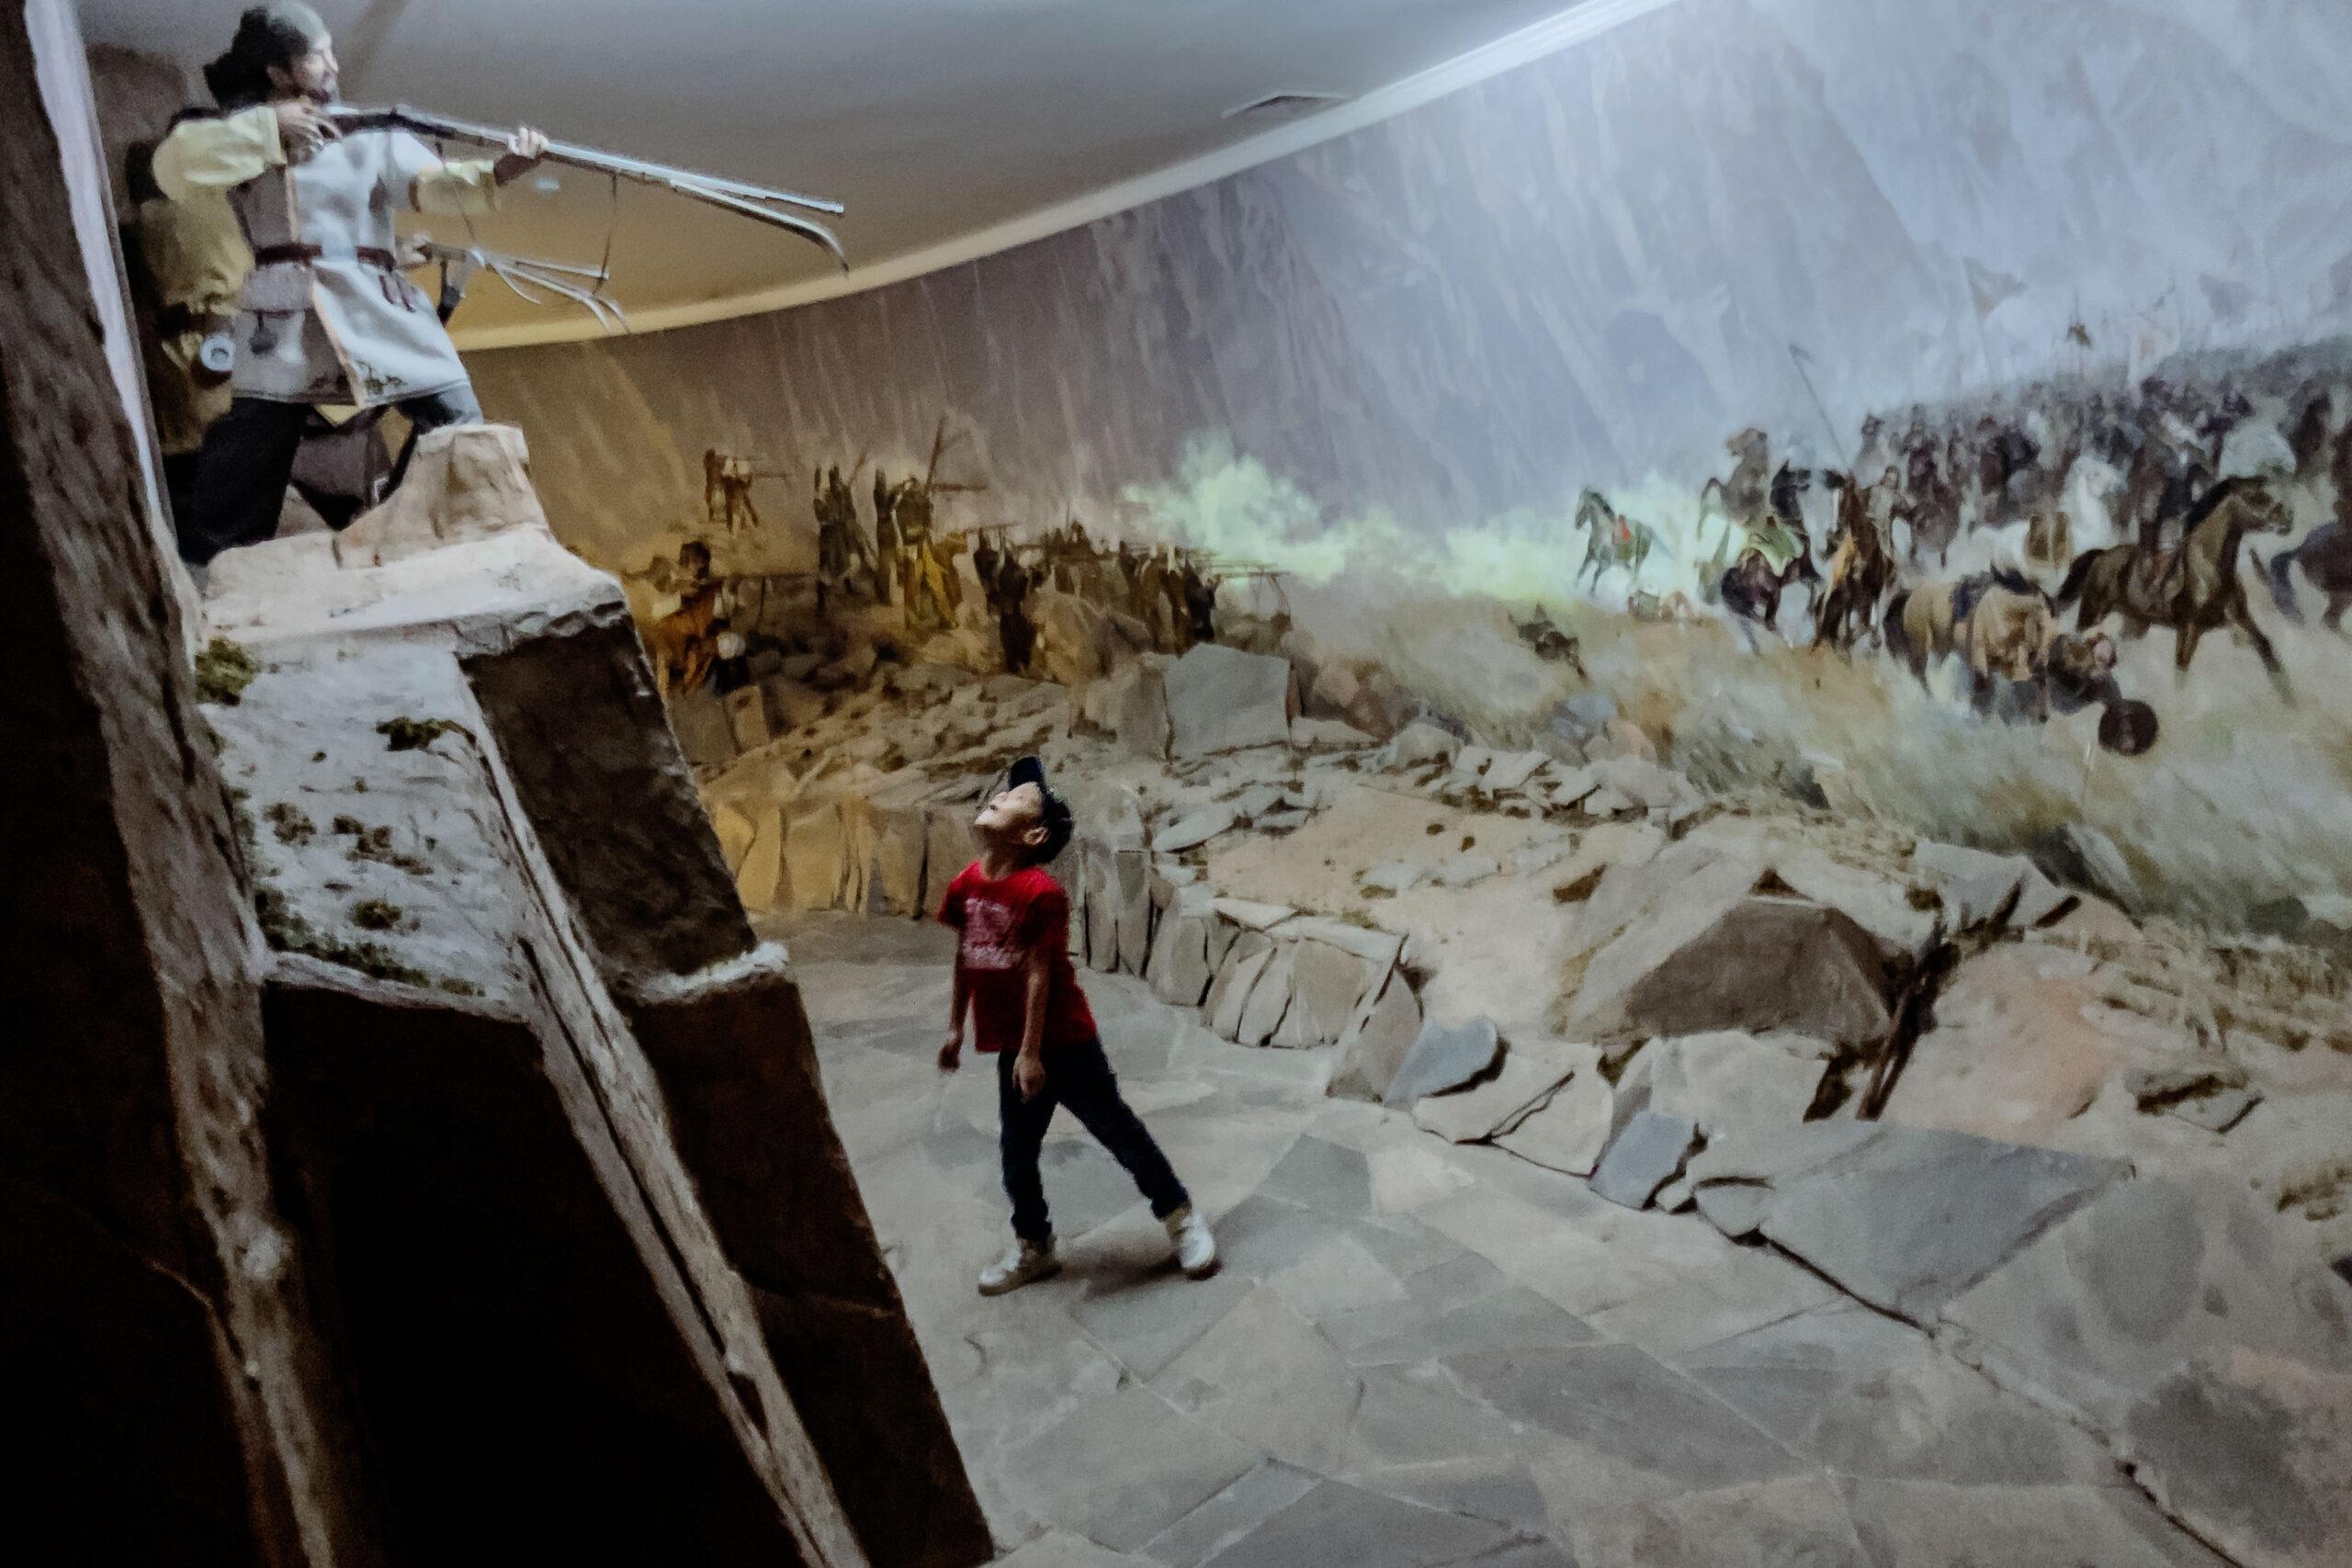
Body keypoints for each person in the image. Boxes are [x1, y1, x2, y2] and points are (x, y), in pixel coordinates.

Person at [151, 4, 548, 566]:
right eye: (318, 54)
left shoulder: (367, 134)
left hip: (373, 305)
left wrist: (499, 172)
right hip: (286, 309)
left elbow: (431, 185)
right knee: (255, 440)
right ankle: (215, 562)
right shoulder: (241, 134)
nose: (334, 64)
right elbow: (174, 166)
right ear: (279, 71)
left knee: (457, 417)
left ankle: (404, 521)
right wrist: (270, 130)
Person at [937, 759, 1217, 1295]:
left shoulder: (1041, 893)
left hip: (1062, 1042)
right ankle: (1035, 1247)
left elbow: (1042, 974)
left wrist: (1031, 1053)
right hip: (1014, 1049)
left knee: (1119, 1132)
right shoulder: (966, 886)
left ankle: (1182, 1220)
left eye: (1016, 798)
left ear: (1034, 834)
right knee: (1016, 1154)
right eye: (1002, 792)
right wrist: (956, 1027)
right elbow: (965, 956)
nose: (999, 796)